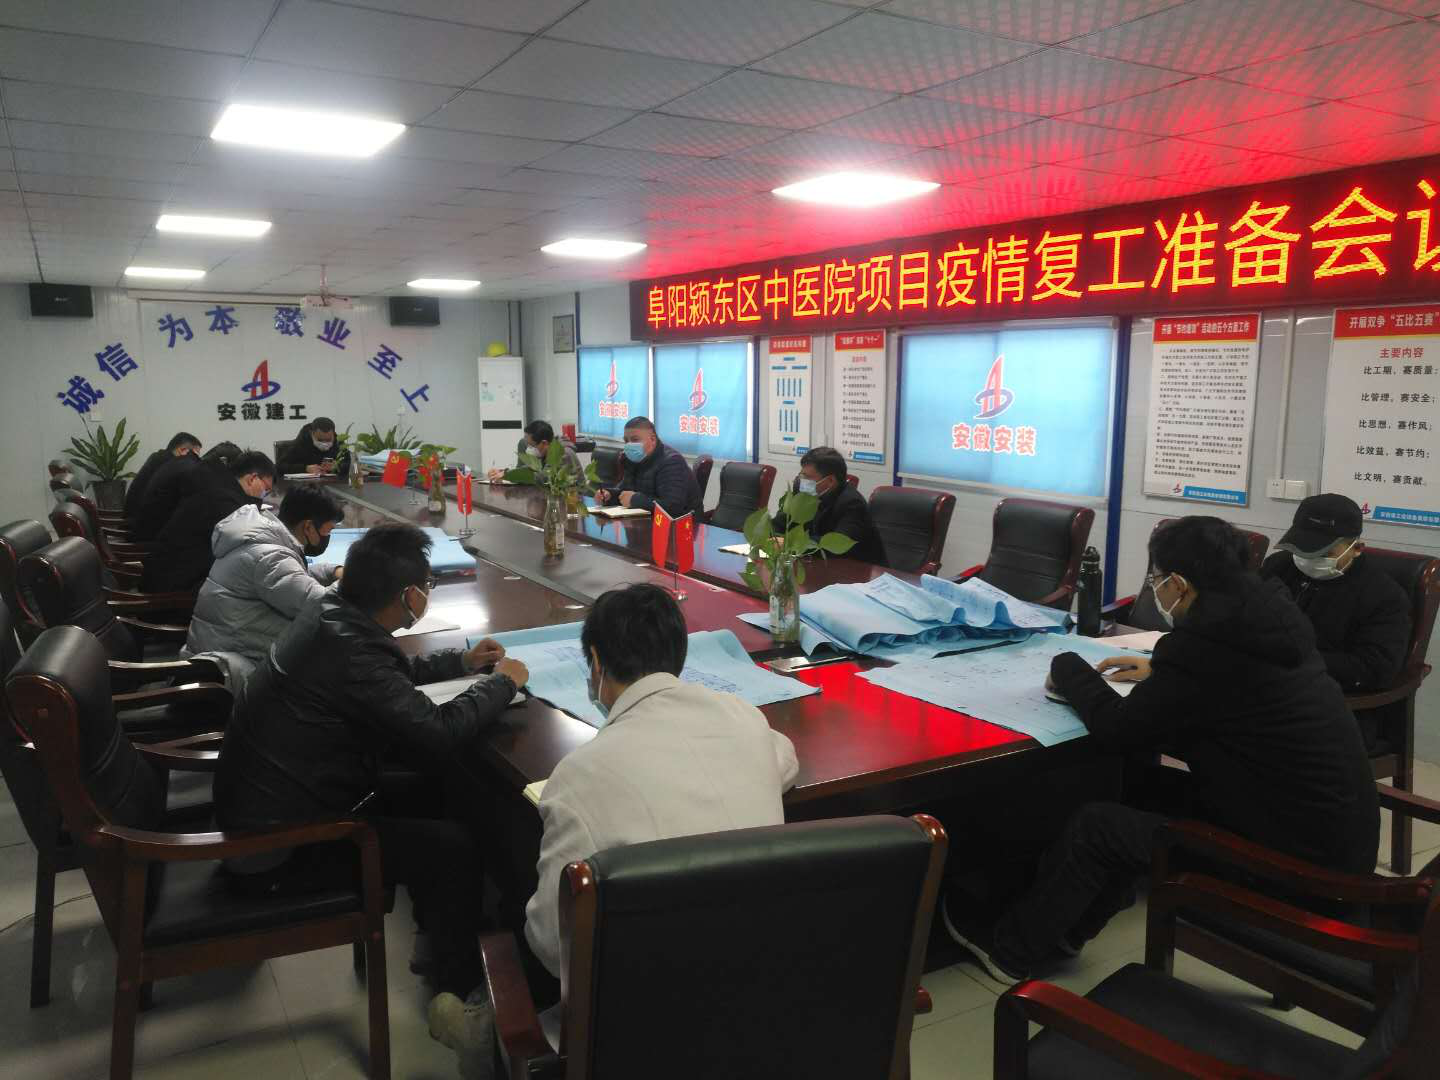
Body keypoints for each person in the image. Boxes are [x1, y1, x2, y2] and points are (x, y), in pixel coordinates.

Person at [943, 516, 1380, 985]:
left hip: (1294, 870)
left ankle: (1012, 950)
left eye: (1156, 579)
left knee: (1099, 826)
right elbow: (1235, 690)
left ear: (1178, 583)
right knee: (1132, 785)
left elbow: (1118, 729)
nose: (1155, 589)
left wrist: (1069, 667)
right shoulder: (1267, 617)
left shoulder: (1204, 646)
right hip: (1328, 840)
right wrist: (1160, 674)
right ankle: (1065, 927)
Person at [427, 583, 798, 1064]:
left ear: (597, 665)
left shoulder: (579, 776)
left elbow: (552, 947)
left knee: (523, 887)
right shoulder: (745, 721)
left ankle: (490, 1029)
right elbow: (785, 761)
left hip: (635, 1033)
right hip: (760, 1000)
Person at [215, 523, 529, 997]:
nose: (428, 593)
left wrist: (461, 664)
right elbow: (438, 731)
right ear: (408, 595)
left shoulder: (333, 614)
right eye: (427, 584)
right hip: (280, 850)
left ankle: (440, 933)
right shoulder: (352, 647)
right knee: (454, 845)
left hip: (281, 806)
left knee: (436, 785)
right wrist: (503, 683)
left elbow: (386, 679)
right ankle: (457, 984)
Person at [183, 485, 346, 686]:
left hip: (223, 649)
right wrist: (358, 582)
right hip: (233, 669)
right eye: (329, 529)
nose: (328, 536)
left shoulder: (262, 541)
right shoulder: (269, 556)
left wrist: (333, 571)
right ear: (308, 527)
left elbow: (292, 578)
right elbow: (320, 605)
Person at [1261, 493, 1410, 696]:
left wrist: (1294, 657)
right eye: (1302, 548)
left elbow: (1375, 669)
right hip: (1265, 681)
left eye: (1323, 553)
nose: (1309, 558)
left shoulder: (1383, 596)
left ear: (1356, 548)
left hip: (1324, 695)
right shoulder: (1278, 566)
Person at [139, 450, 275, 593]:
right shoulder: (224, 501)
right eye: (266, 489)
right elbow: (248, 541)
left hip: (165, 573)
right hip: (174, 589)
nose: (264, 495)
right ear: (252, 478)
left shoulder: (215, 485)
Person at [771, 446, 887, 566]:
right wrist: (774, 540)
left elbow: (835, 545)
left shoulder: (852, 504)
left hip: (856, 571)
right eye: (801, 475)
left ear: (830, 481)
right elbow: (777, 525)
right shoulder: (802, 495)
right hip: (814, 564)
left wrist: (789, 543)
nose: (802, 482)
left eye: (807, 477)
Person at [593, 416, 702, 517]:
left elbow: (673, 506)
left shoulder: (671, 462)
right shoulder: (631, 459)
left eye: (635, 440)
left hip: (683, 525)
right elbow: (625, 493)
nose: (629, 445)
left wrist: (635, 500)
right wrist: (609, 495)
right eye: (626, 441)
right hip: (645, 520)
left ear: (653, 439)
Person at [133, 441, 237, 542]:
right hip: (151, 540)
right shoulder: (197, 472)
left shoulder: (186, 463)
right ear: (223, 461)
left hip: (146, 530)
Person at [124, 431, 201, 531]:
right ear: (182, 450)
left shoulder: (158, 457)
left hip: (132, 519)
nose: (196, 460)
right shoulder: (171, 465)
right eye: (195, 455)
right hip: (140, 526)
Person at [487, 421, 581, 482]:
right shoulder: (545, 451)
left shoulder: (563, 453)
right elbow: (529, 469)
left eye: (531, 445)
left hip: (574, 501)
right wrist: (503, 472)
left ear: (544, 443)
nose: (528, 449)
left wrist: (507, 475)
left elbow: (543, 477)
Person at [279, 416, 348, 476]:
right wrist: (305, 468)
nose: (324, 443)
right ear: (312, 434)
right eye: (320, 440)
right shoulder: (300, 443)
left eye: (328, 440)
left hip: (333, 483)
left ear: (333, 434)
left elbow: (349, 465)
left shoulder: (338, 442)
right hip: (304, 484)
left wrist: (337, 467)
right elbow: (280, 467)